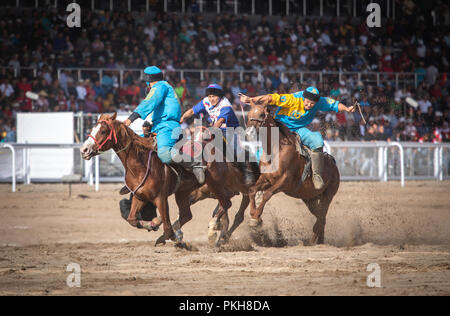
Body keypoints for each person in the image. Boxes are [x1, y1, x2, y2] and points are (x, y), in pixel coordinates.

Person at [240, 86, 355, 190]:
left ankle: (317, 175)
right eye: (308, 102)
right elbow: (270, 98)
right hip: (279, 125)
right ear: (303, 98)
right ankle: (252, 174)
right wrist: (250, 100)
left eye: (312, 104)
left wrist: (347, 109)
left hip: (299, 129)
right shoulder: (293, 99)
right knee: (261, 148)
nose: (309, 105)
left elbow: (334, 105)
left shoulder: (320, 101)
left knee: (318, 140)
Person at [123, 66, 206, 184]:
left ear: (149, 81)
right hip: (159, 126)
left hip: (167, 127)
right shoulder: (165, 87)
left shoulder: (160, 86)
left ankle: (195, 164)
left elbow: (148, 103)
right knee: (136, 146)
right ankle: (136, 180)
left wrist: (130, 119)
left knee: (165, 155)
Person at [180, 84, 259, 185]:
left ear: (220, 96)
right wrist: (182, 119)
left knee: (236, 150)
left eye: (214, 96)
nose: (211, 99)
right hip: (214, 128)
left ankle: (247, 172)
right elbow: (192, 111)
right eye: (210, 96)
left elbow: (219, 122)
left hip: (230, 130)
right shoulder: (206, 101)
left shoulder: (225, 105)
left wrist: (209, 132)